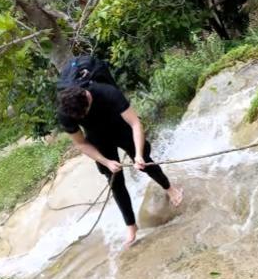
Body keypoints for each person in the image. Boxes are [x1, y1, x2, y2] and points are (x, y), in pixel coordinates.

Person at [57, 83, 183, 247]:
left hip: (120, 128)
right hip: (98, 139)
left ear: (87, 97)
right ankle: (131, 225)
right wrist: (106, 162)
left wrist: (137, 155)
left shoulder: (107, 93)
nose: (82, 117)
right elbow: (81, 144)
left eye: (84, 113)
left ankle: (170, 189)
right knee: (115, 181)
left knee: (145, 162)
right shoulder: (66, 113)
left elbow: (135, 124)